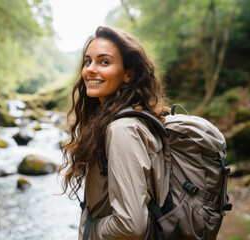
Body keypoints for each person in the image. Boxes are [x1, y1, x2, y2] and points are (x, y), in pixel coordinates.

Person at [59, 26, 169, 240]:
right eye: (87, 61)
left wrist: (90, 232)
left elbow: (130, 225)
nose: (90, 69)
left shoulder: (123, 130)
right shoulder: (127, 119)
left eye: (104, 62)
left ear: (129, 74)